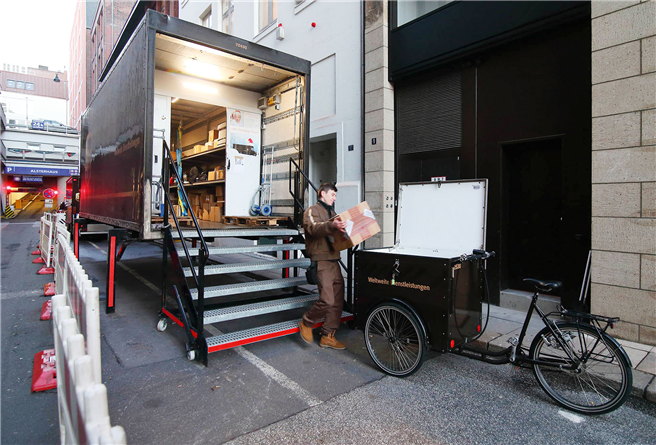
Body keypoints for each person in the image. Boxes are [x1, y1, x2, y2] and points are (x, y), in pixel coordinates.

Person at [299, 183, 348, 349]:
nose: (334, 198)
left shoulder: (333, 213)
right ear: (322, 193)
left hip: (334, 259)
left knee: (337, 301)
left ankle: (328, 335)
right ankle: (307, 322)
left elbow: (335, 234)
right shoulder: (312, 211)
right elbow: (313, 228)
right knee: (327, 300)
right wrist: (332, 225)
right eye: (332, 195)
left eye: (335, 196)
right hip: (322, 260)